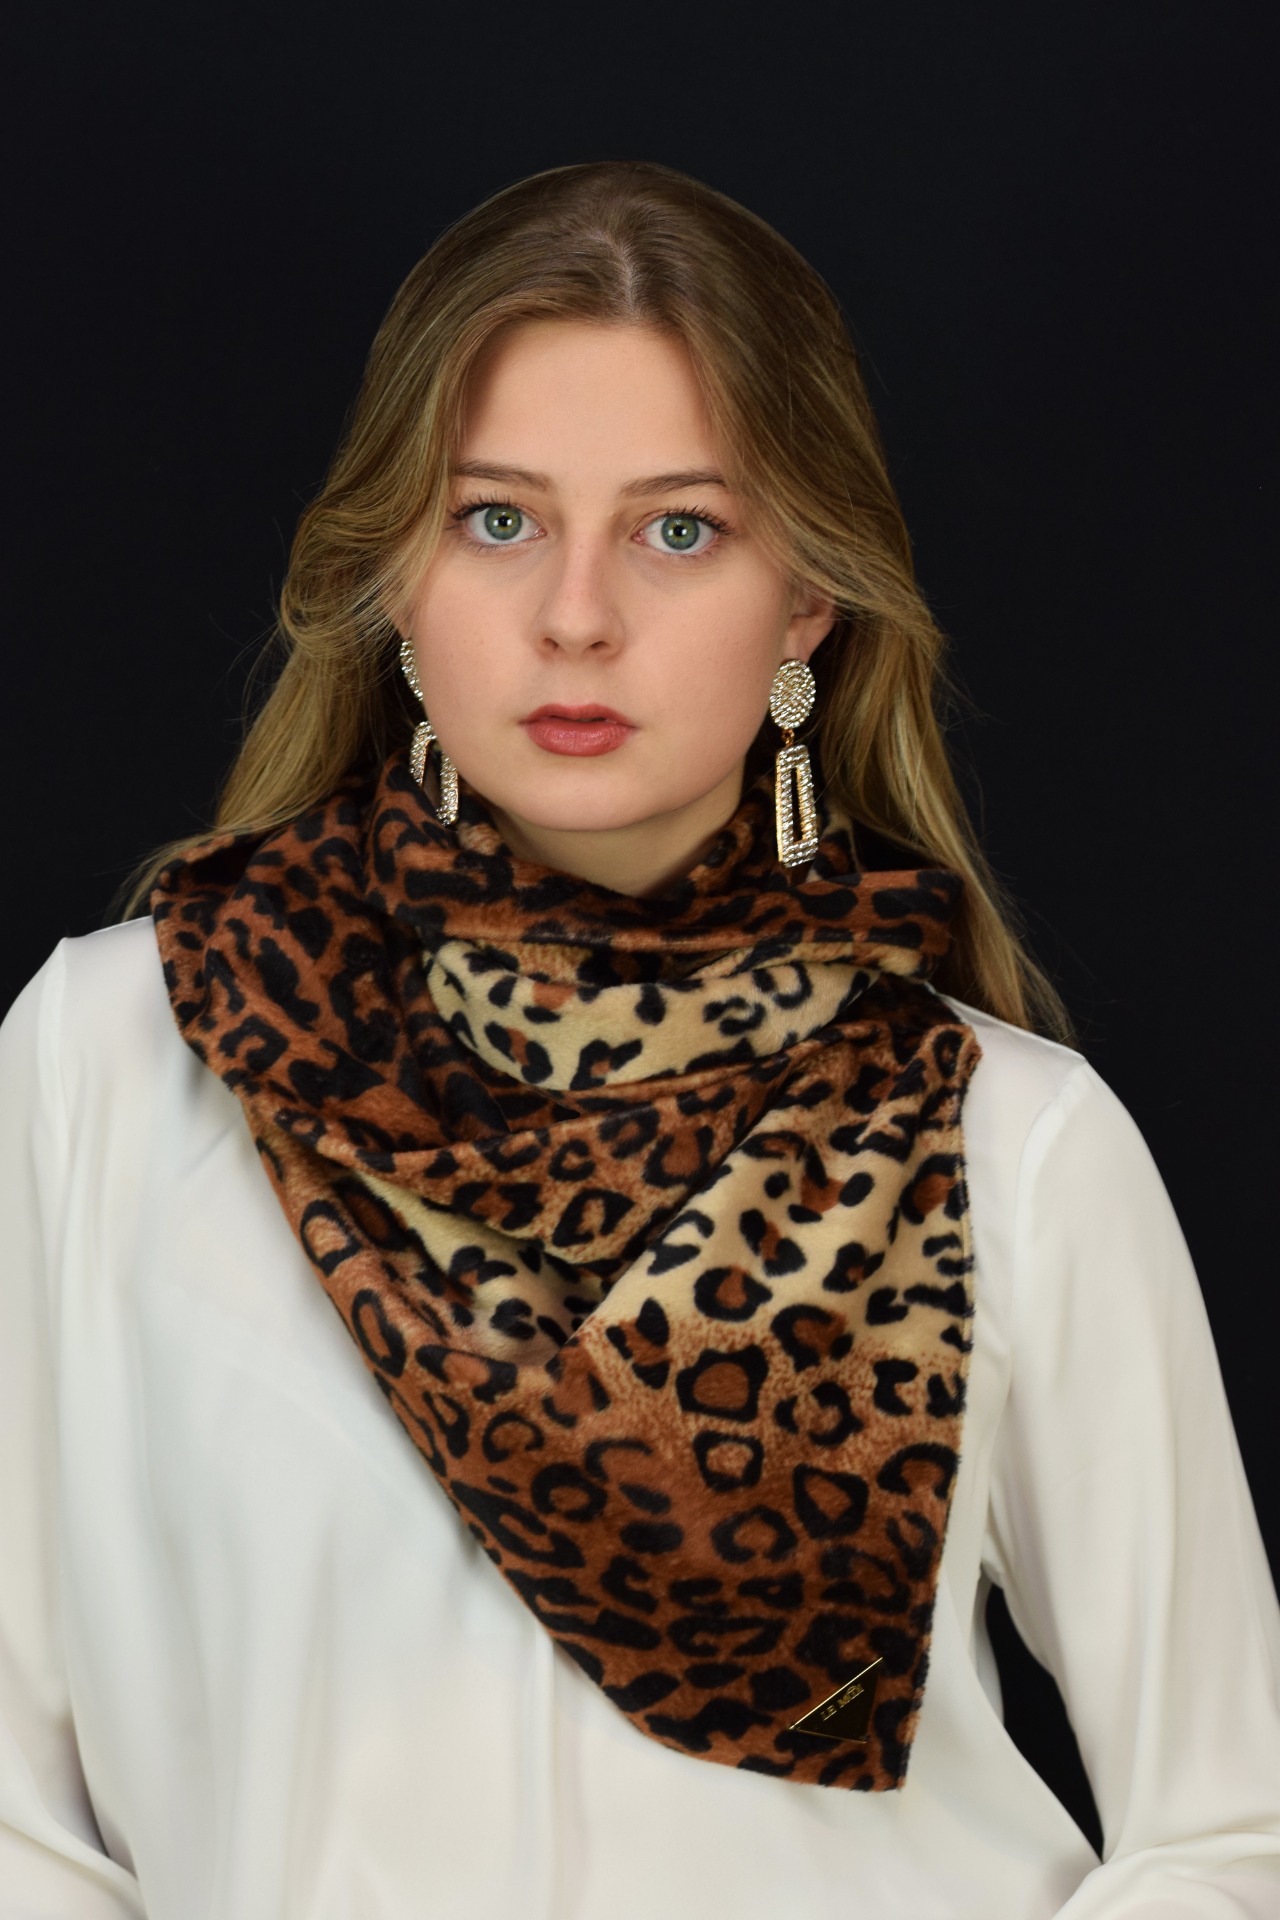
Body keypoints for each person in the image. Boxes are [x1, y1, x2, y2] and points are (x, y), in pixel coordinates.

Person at [1, 160, 1277, 1919]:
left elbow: (1232, 1830)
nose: (577, 615)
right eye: (496, 520)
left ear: (806, 602)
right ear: (394, 576)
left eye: (680, 530)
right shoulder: (115, 1060)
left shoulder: (1012, 1140)